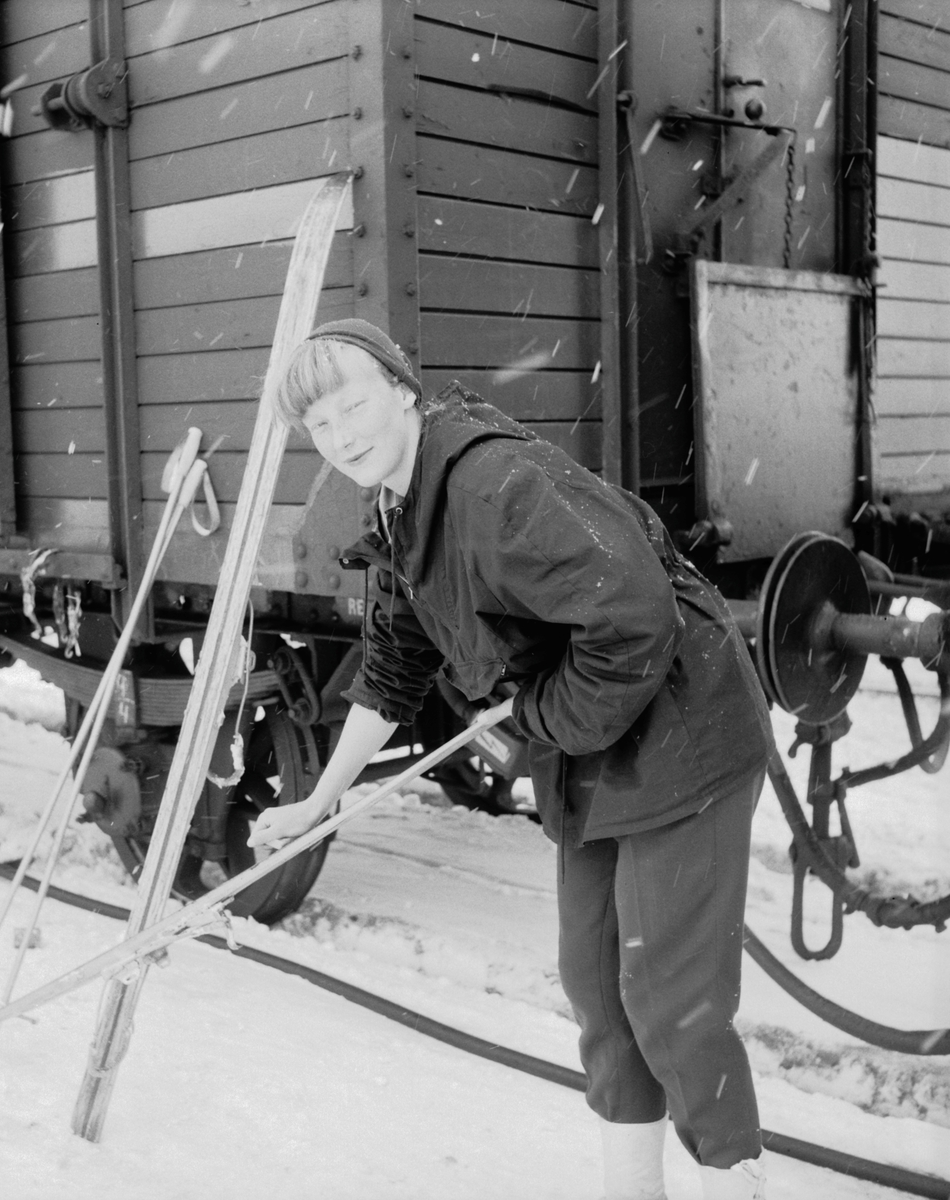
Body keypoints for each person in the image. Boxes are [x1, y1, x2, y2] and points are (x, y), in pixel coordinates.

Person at [247, 319, 773, 1200]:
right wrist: (320, 801)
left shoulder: (494, 486)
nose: (342, 436)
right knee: (600, 995)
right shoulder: (399, 511)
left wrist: (537, 715)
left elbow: (634, 617)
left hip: (683, 732)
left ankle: (732, 1183)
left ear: (402, 391)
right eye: (321, 425)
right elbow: (392, 671)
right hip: (600, 745)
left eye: (354, 407)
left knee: (672, 1004)